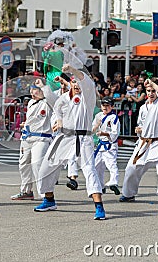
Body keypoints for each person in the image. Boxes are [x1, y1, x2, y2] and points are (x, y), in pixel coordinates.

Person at [35, 64, 106, 220]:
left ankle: (99, 206)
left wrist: (72, 69)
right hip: (64, 138)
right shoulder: (64, 98)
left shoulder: (87, 97)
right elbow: (57, 108)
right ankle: (49, 199)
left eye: (79, 82)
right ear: (71, 83)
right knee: (46, 167)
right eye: (74, 82)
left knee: (89, 170)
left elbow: (83, 79)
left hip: (83, 138)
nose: (77, 85)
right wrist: (58, 121)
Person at [119, 78, 158, 209]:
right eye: (148, 91)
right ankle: (128, 193)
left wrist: (153, 83)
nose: (151, 93)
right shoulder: (143, 107)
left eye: (153, 91)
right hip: (143, 143)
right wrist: (139, 130)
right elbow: (142, 124)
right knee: (132, 168)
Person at [11, 78, 58, 200]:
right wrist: (26, 124)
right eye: (32, 90)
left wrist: (43, 86)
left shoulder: (48, 102)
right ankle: (26, 190)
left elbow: (52, 99)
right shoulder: (31, 102)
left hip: (41, 138)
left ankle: (45, 194)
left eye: (36, 90)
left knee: (37, 164)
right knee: (24, 164)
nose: (33, 92)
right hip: (27, 137)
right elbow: (34, 119)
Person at [92, 96, 120, 195]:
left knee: (111, 164)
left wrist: (104, 134)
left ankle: (114, 182)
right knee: (97, 166)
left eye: (107, 105)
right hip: (100, 145)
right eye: (103, 105)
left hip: (110, 145)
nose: (105, 107)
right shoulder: (98, 115)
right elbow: (93, 129)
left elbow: (115, 133)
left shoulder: (114, 118)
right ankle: (100, 185)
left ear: (112, 107)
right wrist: (96, 125)